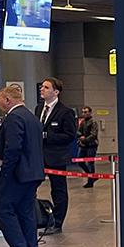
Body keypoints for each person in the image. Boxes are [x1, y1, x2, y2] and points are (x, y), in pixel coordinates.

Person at [0, 84, 44, 247]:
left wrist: (6, 172)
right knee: (25, 213)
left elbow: (13, 148)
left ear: (8, 100)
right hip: (33, 173)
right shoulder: (31, 117)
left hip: (18, 174)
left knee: (4, 210)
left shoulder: (14, 118)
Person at [35, 77, 76, 235]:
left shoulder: (65, 112)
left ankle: (57, 223)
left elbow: (70, 135)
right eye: (42, 87)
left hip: (56, 157)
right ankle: (36, 217)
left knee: (58, 190)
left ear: (56, 92)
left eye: (46, 87)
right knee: (30, 186)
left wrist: (47, 136)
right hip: (39, 156)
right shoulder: (39, 108)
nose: (42, 89)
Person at [76, 106, 100, 188]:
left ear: (90, 112)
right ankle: (92, 176)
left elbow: (93, 135)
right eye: (83, 112)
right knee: (80, 162)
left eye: (86, 112)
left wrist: (84, 140)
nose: (84, 114)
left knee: (90, 163)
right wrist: (81, 137)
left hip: (91, 145)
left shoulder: (93, 122)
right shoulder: (82, 122)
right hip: (83, 145)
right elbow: (78, 131)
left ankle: (90, 181)